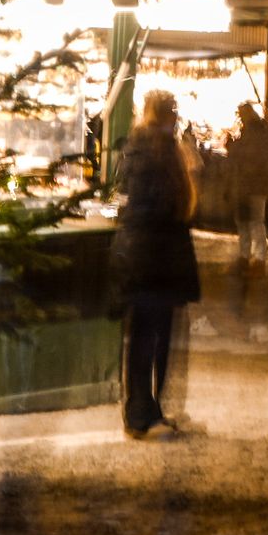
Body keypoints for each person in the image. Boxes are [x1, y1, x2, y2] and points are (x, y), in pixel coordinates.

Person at [112, 90, 202, 440]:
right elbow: (177, 206)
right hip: (164, 255)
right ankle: (149, 409)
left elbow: (126, 197)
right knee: (160, 336)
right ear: (169, 116)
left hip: (139, 254)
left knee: (140, 337)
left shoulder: (133, 149)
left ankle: (139, 412)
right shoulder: (169, 154)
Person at [231, 96, 268, 280]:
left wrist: (233, 148)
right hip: (248, 185)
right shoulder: (256, 131)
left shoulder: (255, 133)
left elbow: (250, 158)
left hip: (253, 185)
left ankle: (257, 260)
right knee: (246, 222)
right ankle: (247, 257)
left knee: (254, 222)